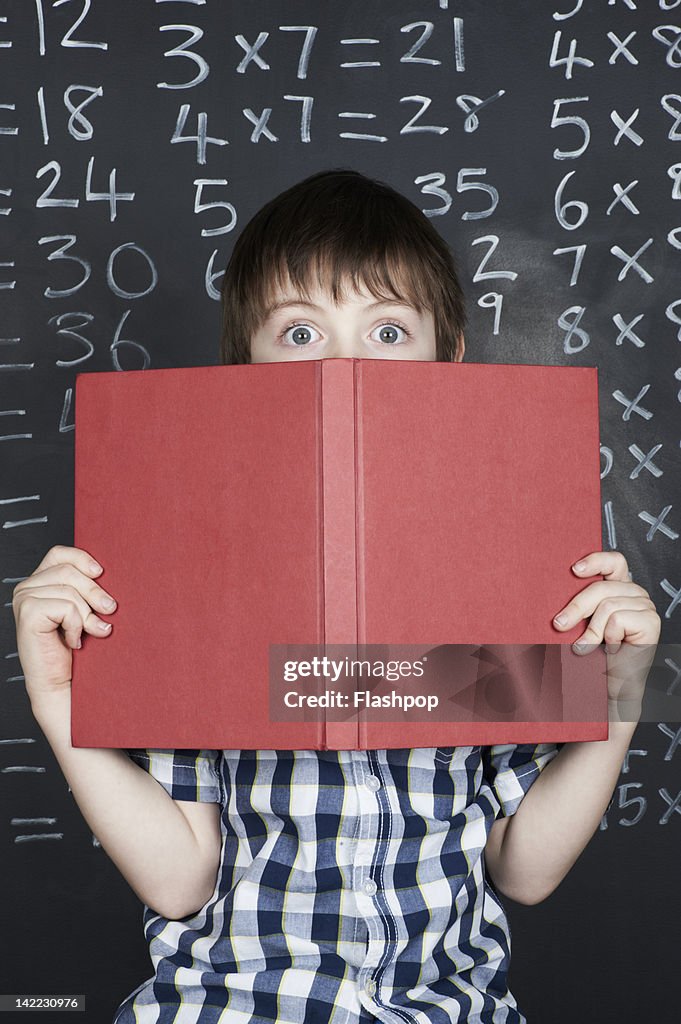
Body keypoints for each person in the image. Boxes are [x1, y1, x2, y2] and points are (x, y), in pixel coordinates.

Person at [12, 169, 660, 1024]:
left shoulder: (503, 565)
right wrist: (60, 698)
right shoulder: (190, 569)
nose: (345, 362)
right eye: (301, 331)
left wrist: (617, 697)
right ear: (245, 366)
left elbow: (522, 869)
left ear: (449, 359)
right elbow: (179, 881)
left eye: (388, 329)